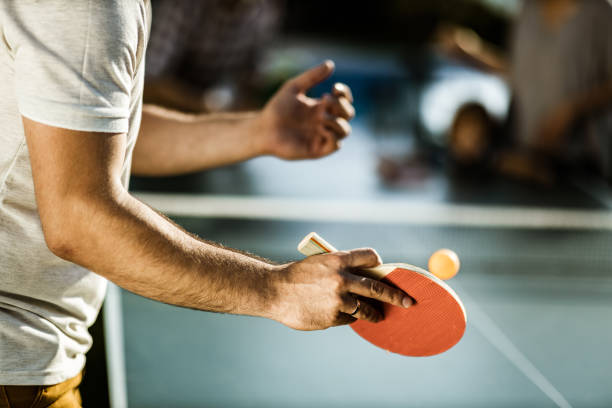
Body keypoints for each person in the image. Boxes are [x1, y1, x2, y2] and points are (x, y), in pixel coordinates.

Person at [0, 1, 412, 406]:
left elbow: (84, 137)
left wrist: (256, 132)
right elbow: (78, 218)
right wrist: (278, 289)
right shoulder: (92, 8)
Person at [444, 0, 612, 184]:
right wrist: (474, 53)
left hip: (583, 164)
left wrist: (573, 110)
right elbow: (519, 73)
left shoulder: (600, 13)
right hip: (528, 160)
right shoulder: (526, 12)